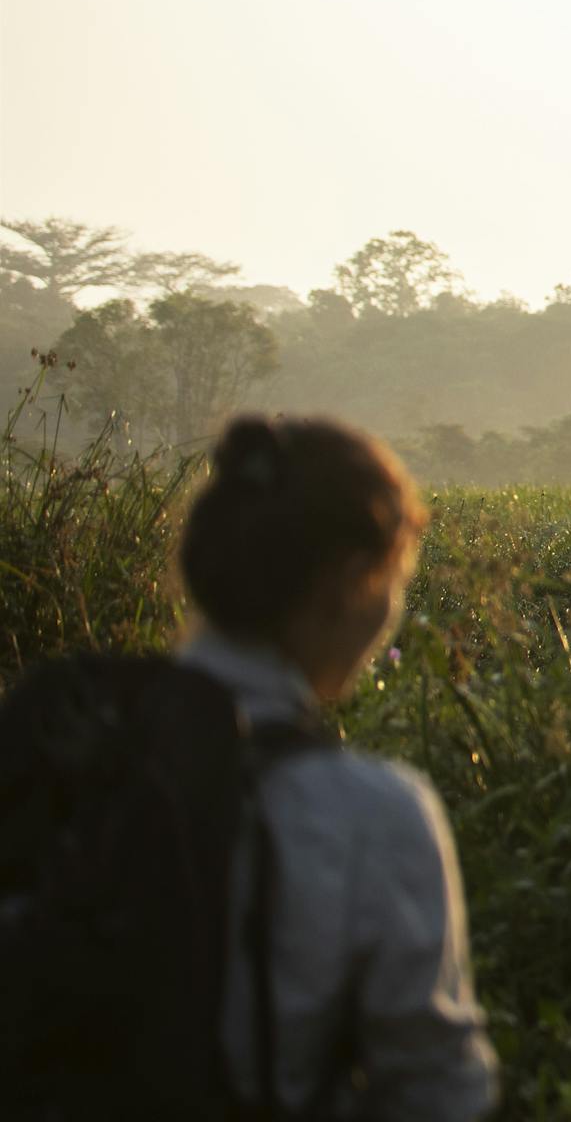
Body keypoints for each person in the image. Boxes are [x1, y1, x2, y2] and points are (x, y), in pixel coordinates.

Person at [0, 414, 496, 1118]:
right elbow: (436, 1087)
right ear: (352, 581)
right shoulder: (373, 813)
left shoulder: (60, 731)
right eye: (396, 580)